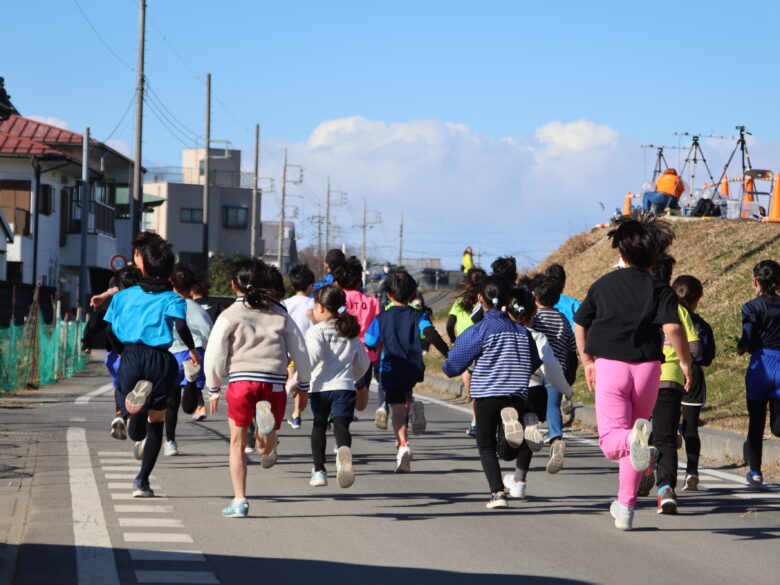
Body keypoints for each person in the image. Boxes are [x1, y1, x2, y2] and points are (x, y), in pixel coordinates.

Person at [573, 214, 692, 531]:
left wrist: (587, 361)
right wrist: (684, 362)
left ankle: (634, 443)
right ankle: (625, 509)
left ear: (621, 253)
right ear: (655, 257)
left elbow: (581, 322)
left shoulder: (603, 284)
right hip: (648, 372)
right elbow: (672, 327)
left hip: (611, 367)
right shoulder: (660, 288)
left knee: (614, 441)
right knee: (635, 440)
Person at [204, 258, 312, 518]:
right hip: (274, 384)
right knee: (266, 447)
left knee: (237, 444)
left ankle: (240, 500)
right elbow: (300, 351)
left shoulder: (229, 314)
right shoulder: (279, 313)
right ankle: (268, 435)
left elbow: (215, 352)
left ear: (233, 285)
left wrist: (213, 387)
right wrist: (304, 385)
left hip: (241, 381)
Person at [103, 238, 200, 498]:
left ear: (142, 267)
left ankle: (135, 410)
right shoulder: (172, 298)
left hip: (131, 355)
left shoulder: (123, 296)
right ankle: (142, 482)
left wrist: (122, 351)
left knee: (134, 418)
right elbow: (180, 327)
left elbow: (109, 329)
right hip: (160, 359)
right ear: (170, 272)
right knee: (156, 422)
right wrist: (191, 349)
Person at [442, 276, 541, 508]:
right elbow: (534, 362)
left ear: (479, 298)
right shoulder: (522, 332)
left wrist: (448, 367)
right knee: (506, 452)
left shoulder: (480, 330)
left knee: (485, 446)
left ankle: (497, 494)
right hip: (517, 395)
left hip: (487, 394)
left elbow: (454, 364)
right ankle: (518, 424)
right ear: (508, 299)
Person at [363, 269, 449, 473]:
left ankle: (403, 445)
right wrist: (449, 354)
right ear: (412, 294)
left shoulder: (381, 319)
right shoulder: (419, 315)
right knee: (406, 394)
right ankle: (414, 405)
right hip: (413, 366)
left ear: (389, 295)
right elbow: (431, 334)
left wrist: (377, 347)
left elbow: (369, 341)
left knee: (397, 408)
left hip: (391, 366)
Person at [502, 285, 573, 499]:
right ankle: (519, 482)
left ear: (507, 312)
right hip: (535, 392)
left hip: (509, 391)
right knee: (527, 436)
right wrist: (566, 390)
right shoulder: (538, 337)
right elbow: (551, 366)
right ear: (533, 313)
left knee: (505, 448)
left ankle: (513, 434)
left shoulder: (502, 336)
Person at [647, 255, 699, 514]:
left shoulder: (638, 304)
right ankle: (665, 489)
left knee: (640, 431)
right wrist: (686, 360)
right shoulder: (678, 308)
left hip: (638, 376)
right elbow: (695, 347)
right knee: (666, 437)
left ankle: (643, 468)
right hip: (669, 378)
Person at [305, 285, 370, 488]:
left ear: (321, 308)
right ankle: (343, 452)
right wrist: (353, 376)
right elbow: (364, 362)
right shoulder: (348, 330)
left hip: (320, 388)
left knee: (319, 426)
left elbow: (312, 358)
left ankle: (319, 471)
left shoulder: (316, 331)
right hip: (344, 387)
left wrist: (300, 378)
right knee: (341, 426)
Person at [82, 265, 142, 440]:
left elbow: (96, 322)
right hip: (139, 352)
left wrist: (86, 342)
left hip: (115, 353)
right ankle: (134, 422)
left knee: (120, 386)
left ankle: (121, 415)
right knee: (141, 388)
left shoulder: (113, 301)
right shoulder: (143, 299)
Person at [737, 259, 780, 487]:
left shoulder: (751, 306)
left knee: (756, 422)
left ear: (756, 281)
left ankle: (755, 472)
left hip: (761, 366)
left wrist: (742, 346)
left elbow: (748, 335)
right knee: (777, 426)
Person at [163, 264, 213, 456]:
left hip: (171, 353)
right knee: (190, 406)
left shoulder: (166, 303)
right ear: (191, 287)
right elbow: (209, 331)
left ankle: (170, 442)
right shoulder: (197, 309)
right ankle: (191, 382)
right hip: (195, 352)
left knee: (171, 402)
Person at [531, 274, 578, 474]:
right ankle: (556, 439)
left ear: (534, 297)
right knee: (553, 408)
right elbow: (572, 345)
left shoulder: (534, 318)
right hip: (556, 369)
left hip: (534, 369)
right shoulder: (562, 319)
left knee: (530, 405)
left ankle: (531, 432)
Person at [673, 274, 715, 492]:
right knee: (691, 427)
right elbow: (707, 356)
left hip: (668, 373)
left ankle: (661, 474)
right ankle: (692, 471)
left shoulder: (666, 320)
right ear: (697, 298)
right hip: (694, 376)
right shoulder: (700, 325)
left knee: (665, 424)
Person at [333, 258, 382, 428]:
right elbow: (378, 331)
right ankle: (345, 414)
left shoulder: (337, 302)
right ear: (359, 281)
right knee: (361, 398)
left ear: (338, 282)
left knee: (338, 389)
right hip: (365, 354)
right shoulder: (373, 302)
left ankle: (338, 414)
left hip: (339, 351)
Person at [446, 268, 487, 437]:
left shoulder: (460, 302)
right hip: (484, 345)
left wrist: (453, 340)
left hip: (465, 346)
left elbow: (449, 325)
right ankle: (479, 421)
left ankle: (476, 422)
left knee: (473, 388)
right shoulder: (486, 301)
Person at [282, 264, 316, 429]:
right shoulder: (315, 304)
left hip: (290, 348)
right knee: (303, 382)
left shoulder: (285, 304)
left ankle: (287, 405)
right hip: (310, 350)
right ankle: (296, 414)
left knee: (292, 379)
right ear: (310, 285)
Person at [190, 274, 222, 421]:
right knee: (210, 377)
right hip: (214, 346)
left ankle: (200, 405)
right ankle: (210, 397)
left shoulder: (189, 306)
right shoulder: (216, 306)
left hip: (194, 346)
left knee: (193, 378)